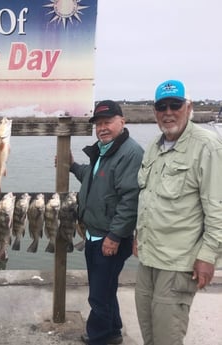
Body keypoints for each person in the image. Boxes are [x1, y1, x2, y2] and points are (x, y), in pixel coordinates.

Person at [134, 79, 222, 345]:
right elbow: (147, 196)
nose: (168, 112)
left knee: (167, 338)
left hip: (178, 263)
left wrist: (208, 256)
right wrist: (138, 235)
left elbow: (217, 209)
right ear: (155, 111)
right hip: (148, 258)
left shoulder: (207, 146)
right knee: (149, 333)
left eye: (175, 105)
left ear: (188, 106)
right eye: (162, 106)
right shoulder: (154, 146)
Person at [69, 100, 144, 345]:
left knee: (99, 295)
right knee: (106, 288)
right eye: (98, 123)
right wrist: (72, 167)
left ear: (122, 121)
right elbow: (92, 179)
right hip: (93, 234)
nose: (102, 128)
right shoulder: (104, 150)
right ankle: (112, 331)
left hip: (109, 238)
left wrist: (114, 236)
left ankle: (99, 337)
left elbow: (130, 199)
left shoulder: (130, 153)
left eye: (107, 122)